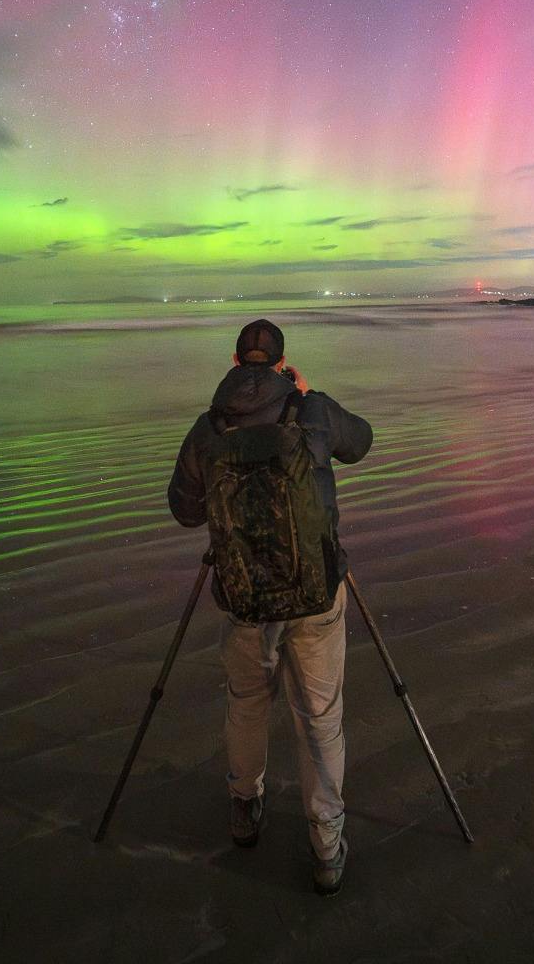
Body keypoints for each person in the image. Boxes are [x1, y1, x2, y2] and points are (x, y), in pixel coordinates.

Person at [166, 317, 373, 895]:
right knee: (321, 718)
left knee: (246, 705)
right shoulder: (311, 410)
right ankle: (326, 847)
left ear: (235, 362)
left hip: (244, 603)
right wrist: (307, 400)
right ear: (282, 365)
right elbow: (362, 441)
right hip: (315, 594)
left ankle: (244, 808)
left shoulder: (208, 429)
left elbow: (184, 510)